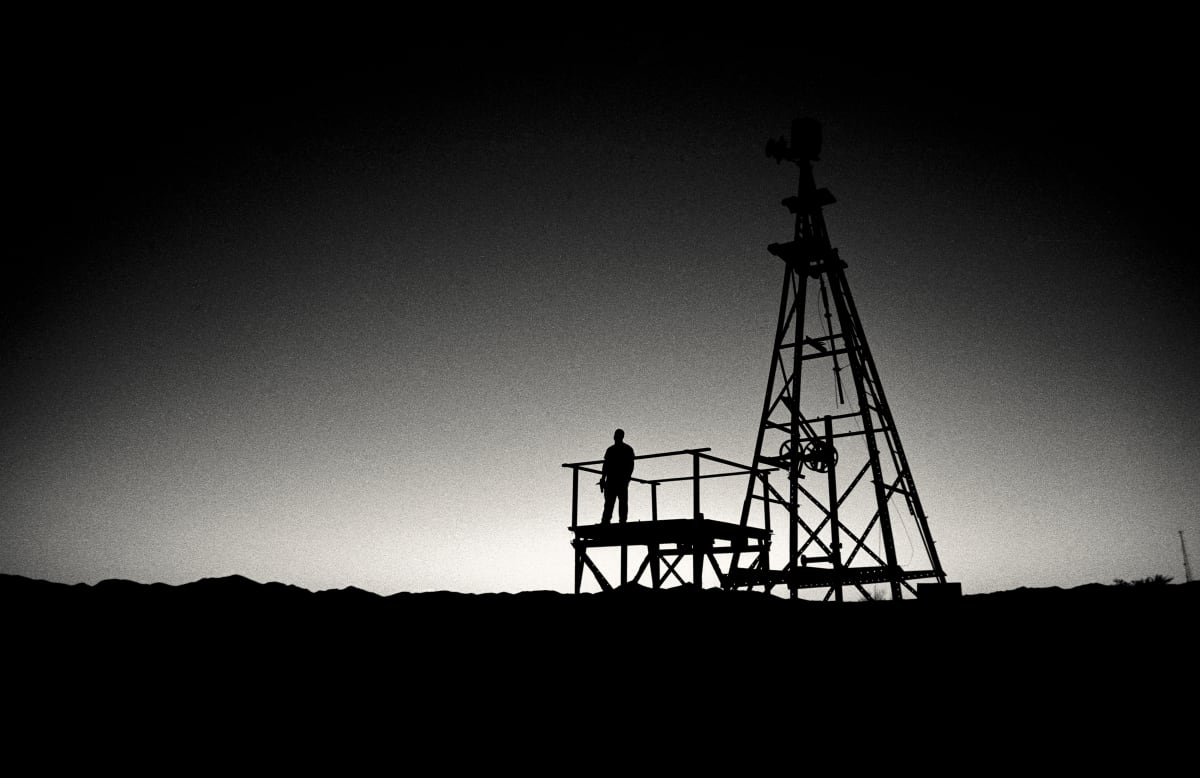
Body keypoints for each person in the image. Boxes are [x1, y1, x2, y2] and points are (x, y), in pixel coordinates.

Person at [599, 429, 635, 524]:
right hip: (614, 480)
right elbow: (606, 465)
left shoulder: (615, 449)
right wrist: (603, 479)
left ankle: (613, 521)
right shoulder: (620, 449)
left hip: (617, 480)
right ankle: (612, 521)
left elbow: (630, 465)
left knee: (615, 503)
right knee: (613, 503)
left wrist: (627, 478)